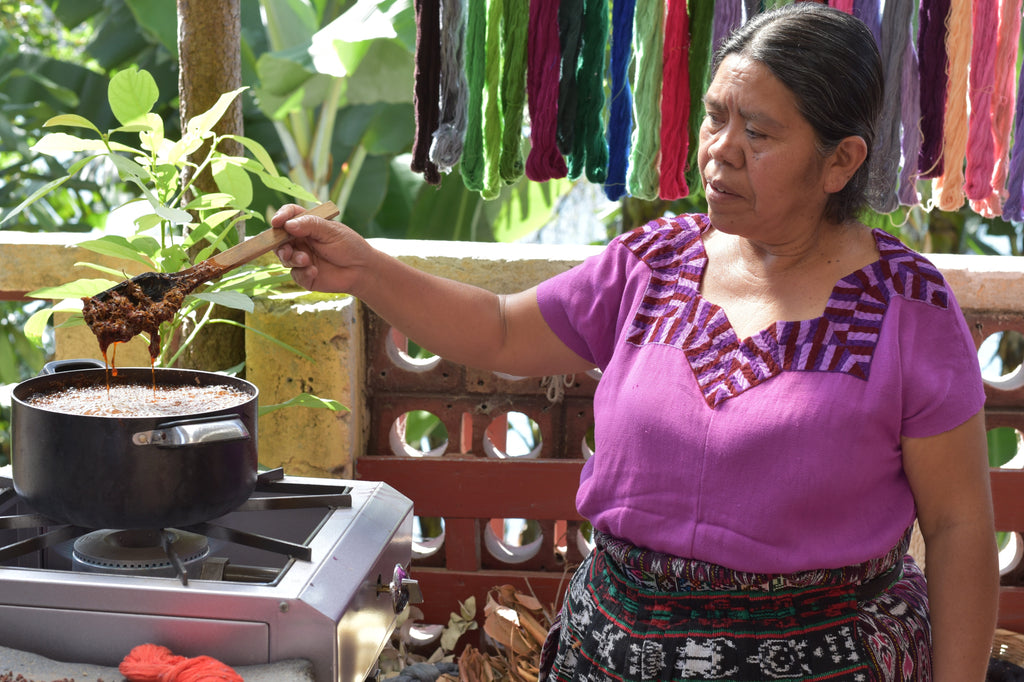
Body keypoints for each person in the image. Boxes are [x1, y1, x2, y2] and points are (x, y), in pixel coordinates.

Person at [272, 4, 998, 680]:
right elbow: (498, 328)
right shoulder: (657, 264)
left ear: (840, 161)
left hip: (831, 659)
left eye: (760, 133)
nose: (720, 152)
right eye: (715, 118)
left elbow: (959, 525)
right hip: (609, 650)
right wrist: (362, 268)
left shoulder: (908, 307)